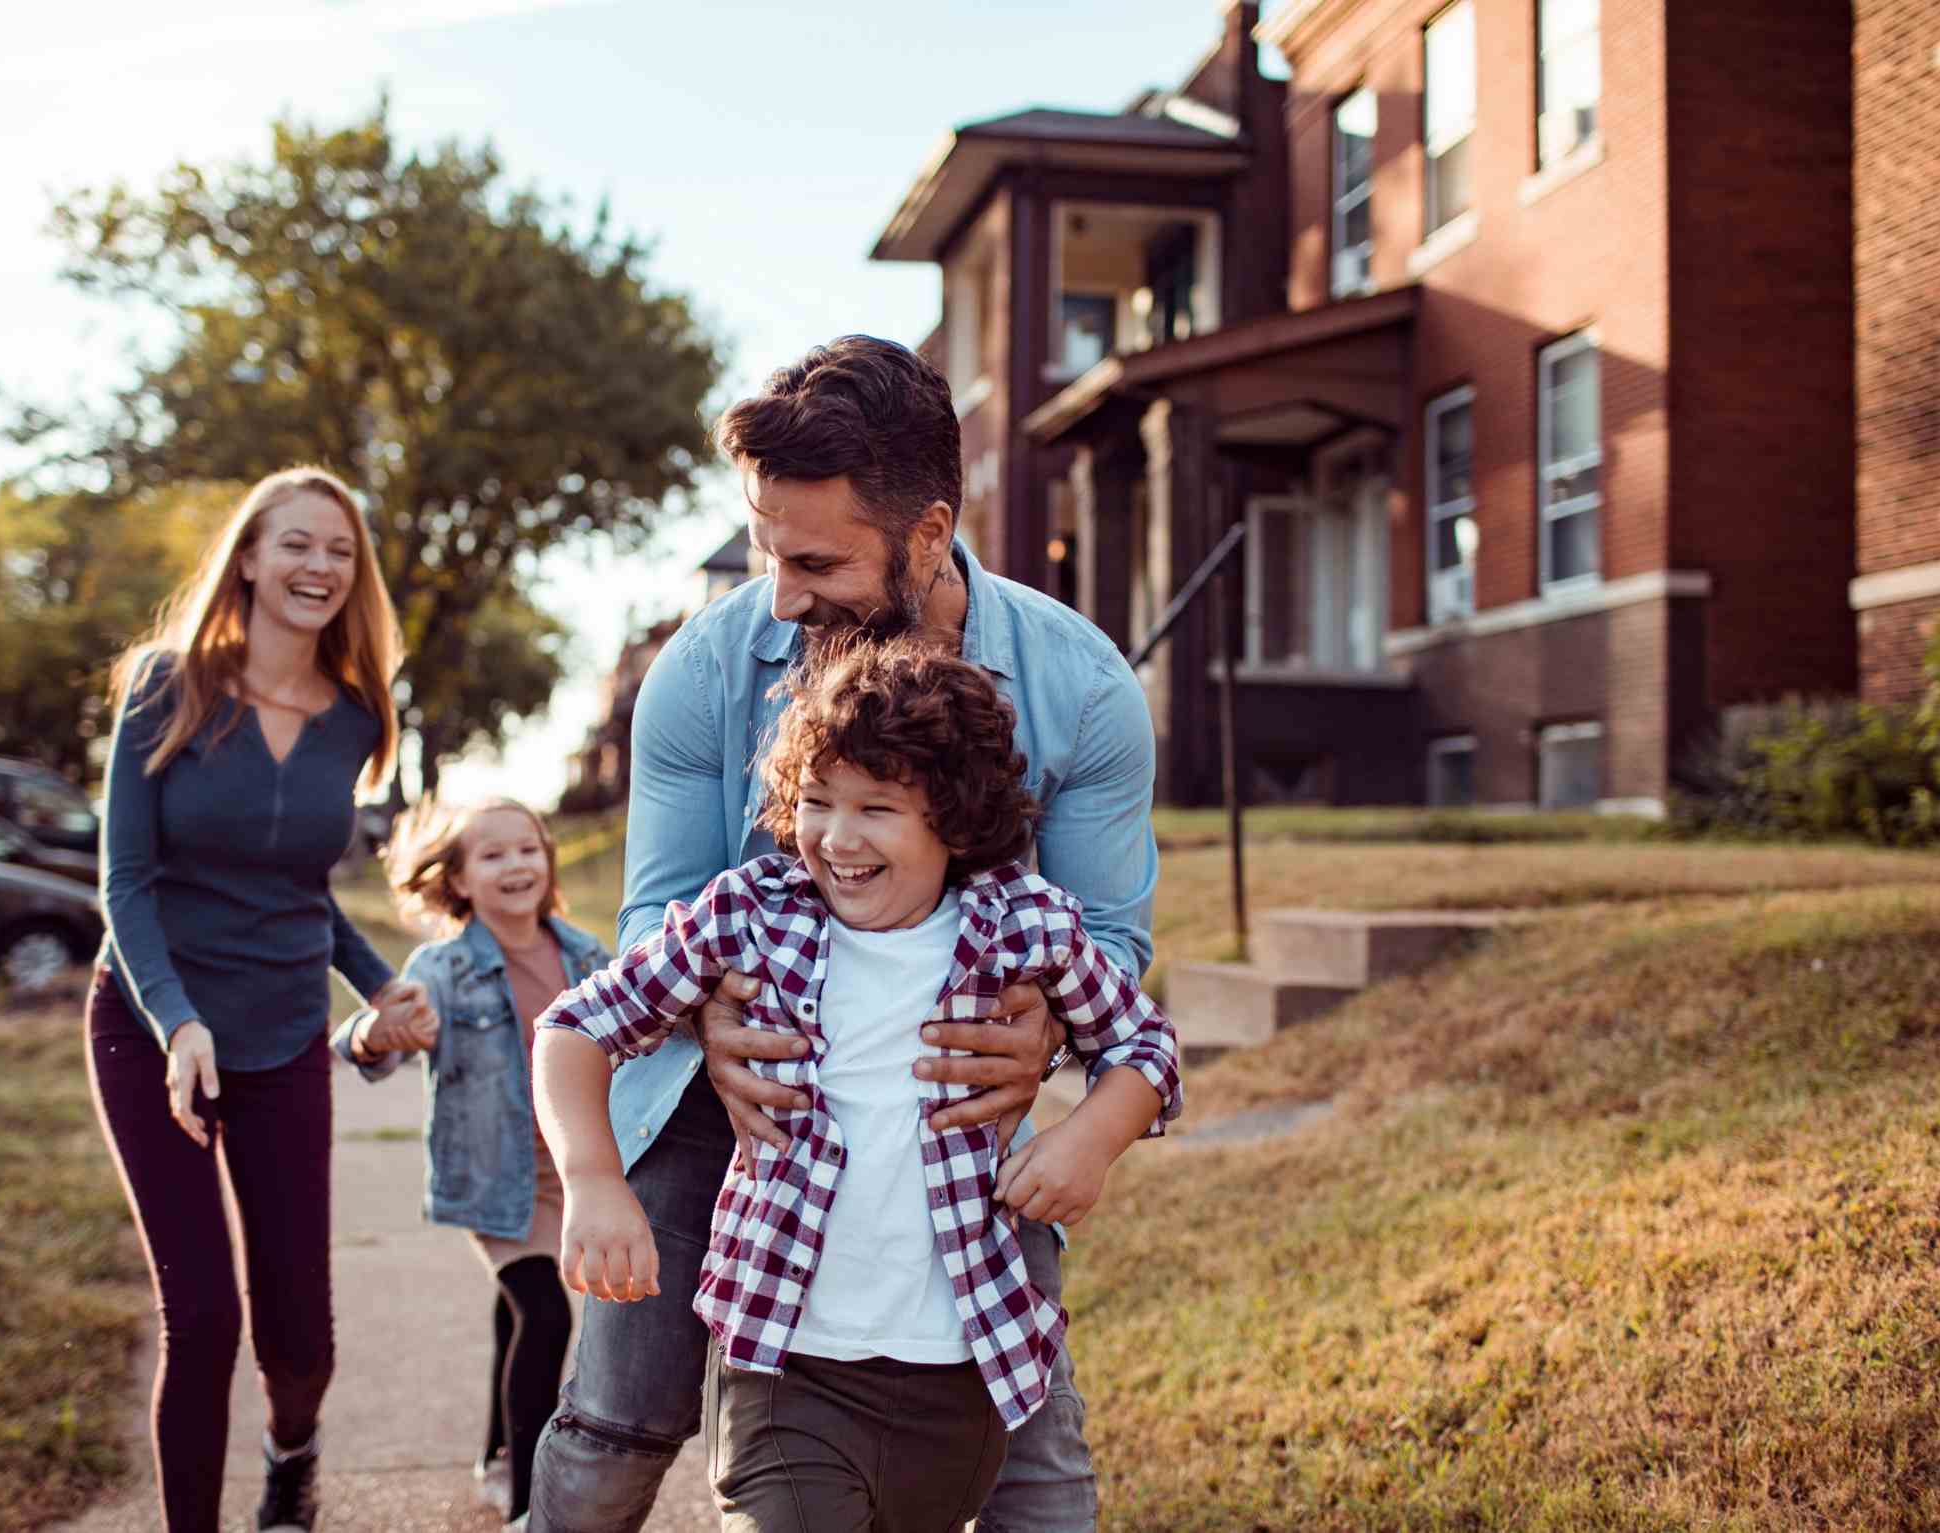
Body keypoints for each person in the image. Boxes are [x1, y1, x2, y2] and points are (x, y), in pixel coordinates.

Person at [529, 336, 1160, 1533]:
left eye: (816, 560)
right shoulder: (703, 674)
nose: (780, 592)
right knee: (622, 1424)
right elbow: (654, 916)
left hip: (945, 1114)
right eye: (767, 548)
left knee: (1034, 1462)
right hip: (722, 1101)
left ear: (928, 534)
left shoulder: (1080, 691)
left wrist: (1042, 1048)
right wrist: (717, 1016)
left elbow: (1113, 949)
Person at [90, 465, 436, 1533]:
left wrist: (384, 985)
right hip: (154, 1031)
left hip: (286, 1036)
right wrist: (176, 1020)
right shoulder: (168, 683)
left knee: (301, 1330)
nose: (318, 567)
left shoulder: (356, 717)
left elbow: (301, 894)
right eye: (296, 544)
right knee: (201, 1314)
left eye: (339, 551)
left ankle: (293, 1459)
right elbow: (126, 882)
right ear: (247, 556)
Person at [329, 795, 613, 1531]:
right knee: (545, 1313)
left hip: (573, 1173)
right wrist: (377, 1032)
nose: (516, 864)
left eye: (528, 848)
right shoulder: (444, 966)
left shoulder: (585, 954)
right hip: (497, 1179)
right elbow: (361, 1041)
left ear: (548, 858)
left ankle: (493, 1457)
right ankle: (525, 1503)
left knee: (517, 1308)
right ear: (457, 879)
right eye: (492, 855)